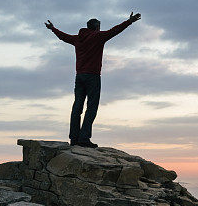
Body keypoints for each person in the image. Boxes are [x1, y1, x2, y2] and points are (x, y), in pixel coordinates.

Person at [45, 12, 141, 147]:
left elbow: (63, 37)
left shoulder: (78, 38)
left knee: (77, 107)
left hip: (79, 77)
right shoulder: (98, 36)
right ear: (97, 27)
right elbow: (115, 30)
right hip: (93, 76)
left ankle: (74, 139)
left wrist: (53, 29)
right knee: (91, 108)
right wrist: (129, 21)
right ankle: (84, 138)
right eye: (99, 27)